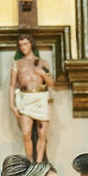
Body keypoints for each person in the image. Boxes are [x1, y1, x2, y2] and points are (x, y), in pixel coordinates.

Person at [9, 31, 53, 162]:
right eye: (20, 45)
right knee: (26, 133)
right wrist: (12, 105)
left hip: (41, 97)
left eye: (25, 44)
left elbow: (51, 83)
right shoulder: (17, 63)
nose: (23, 47)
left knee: (42, 133)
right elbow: (12, 85)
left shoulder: (43, 63)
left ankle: (39, 163)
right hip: (25, 98)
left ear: (31, 44)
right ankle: (30, 161)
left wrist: (43, 74)